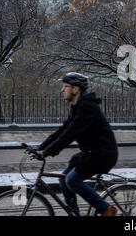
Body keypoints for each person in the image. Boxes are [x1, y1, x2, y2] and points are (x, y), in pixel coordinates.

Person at [37, 72, 119, 216]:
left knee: (72, 180)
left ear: (76, 89)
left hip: (102, 154)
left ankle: (105, 208)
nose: (62, 90)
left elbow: (70, 134)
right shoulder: (78, 106)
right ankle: (74, 213)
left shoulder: (87, 107)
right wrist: (40, 147)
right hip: (91, 153)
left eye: (66, 86)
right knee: (64, 179)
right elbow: (63, 130)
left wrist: (47, 152)